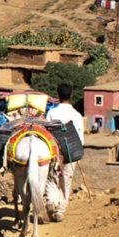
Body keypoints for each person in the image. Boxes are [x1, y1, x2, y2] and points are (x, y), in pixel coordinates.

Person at [45, 84, 85, 222]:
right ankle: (60, 211)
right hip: (70, 153)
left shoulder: (51, 113)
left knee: (51, 178)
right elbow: (80, 139)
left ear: (58, 95)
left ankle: (51, 201)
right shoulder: (77, 115)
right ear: (72, 95)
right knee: (65, 182)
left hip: (53, 153)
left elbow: (46, 133)